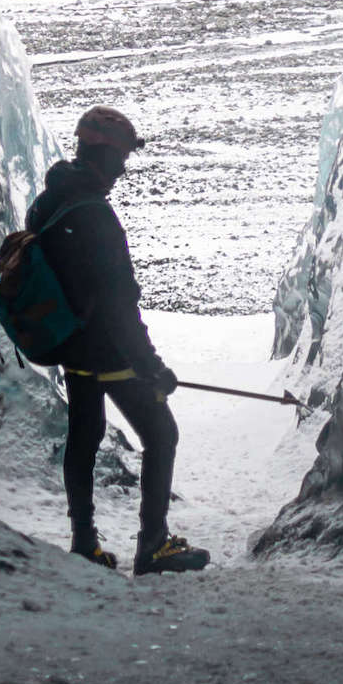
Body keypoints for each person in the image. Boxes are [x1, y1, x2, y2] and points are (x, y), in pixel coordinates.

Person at [26, 105, 210, 577]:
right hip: (108, 350)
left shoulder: (48, 202)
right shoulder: (95, 215)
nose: (124, 167)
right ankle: (153, 546)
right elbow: (118, 302)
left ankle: (84, 542)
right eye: (122, 156)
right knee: (162, 434)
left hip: (72, 347)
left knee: (83, 440)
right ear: (103, 154)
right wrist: (150, 364)